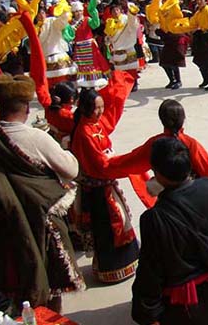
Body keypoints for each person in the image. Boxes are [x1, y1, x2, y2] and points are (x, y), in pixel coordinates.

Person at [0, 74, 83, 313]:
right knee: (51, 285)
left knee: (14, 285)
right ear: (27, 108)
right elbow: (71, 169)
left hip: (3, 225)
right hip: (41, 222)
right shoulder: (35, 137)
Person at [131, 137, 208, 325]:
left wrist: (148, 311)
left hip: (184, 300)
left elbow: (151, 268)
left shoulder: (154, 218)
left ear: (157, 173)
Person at [70, 71, 142, 284]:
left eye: (102, 107)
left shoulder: (95, 124)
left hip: (107, 184)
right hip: (98, 188)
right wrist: (123, 163)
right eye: (97, 108)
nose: (101, 111)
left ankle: (126, 263)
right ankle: (111, 268)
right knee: (110, 226)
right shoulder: (83, 131)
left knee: (120, 221)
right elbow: (99, 163)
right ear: (85, 108)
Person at [108, 99, 208, 197]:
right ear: (183, 120)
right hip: (191, 191)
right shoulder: (190, 143)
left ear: (162, 120)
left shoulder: (156, 142)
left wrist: (108, 162)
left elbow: (132, 160)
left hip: (166, 193)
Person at [70, 0, 110, 89]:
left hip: (89, 46)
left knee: (95, 63)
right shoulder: (71, 24)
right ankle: (82, 83)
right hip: (79, 48)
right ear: (73, 13)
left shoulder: (87, 19)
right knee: (80, 65)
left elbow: (95, 24)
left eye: (80, 11)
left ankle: (93, 81)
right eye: (76, 12)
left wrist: (94, 13)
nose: (79, 13)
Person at [104, 2, 141, 87]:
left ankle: (134, 84)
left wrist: (131, 12)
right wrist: (107, 40)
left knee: (131, 68)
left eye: (117, 9)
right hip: (117, 49)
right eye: (113, 10)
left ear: (120, 10)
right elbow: (109, 35)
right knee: (120, 70)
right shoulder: (110, 22)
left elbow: (133, 23)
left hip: (128, 47)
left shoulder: (126, 20)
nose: (115, 12)